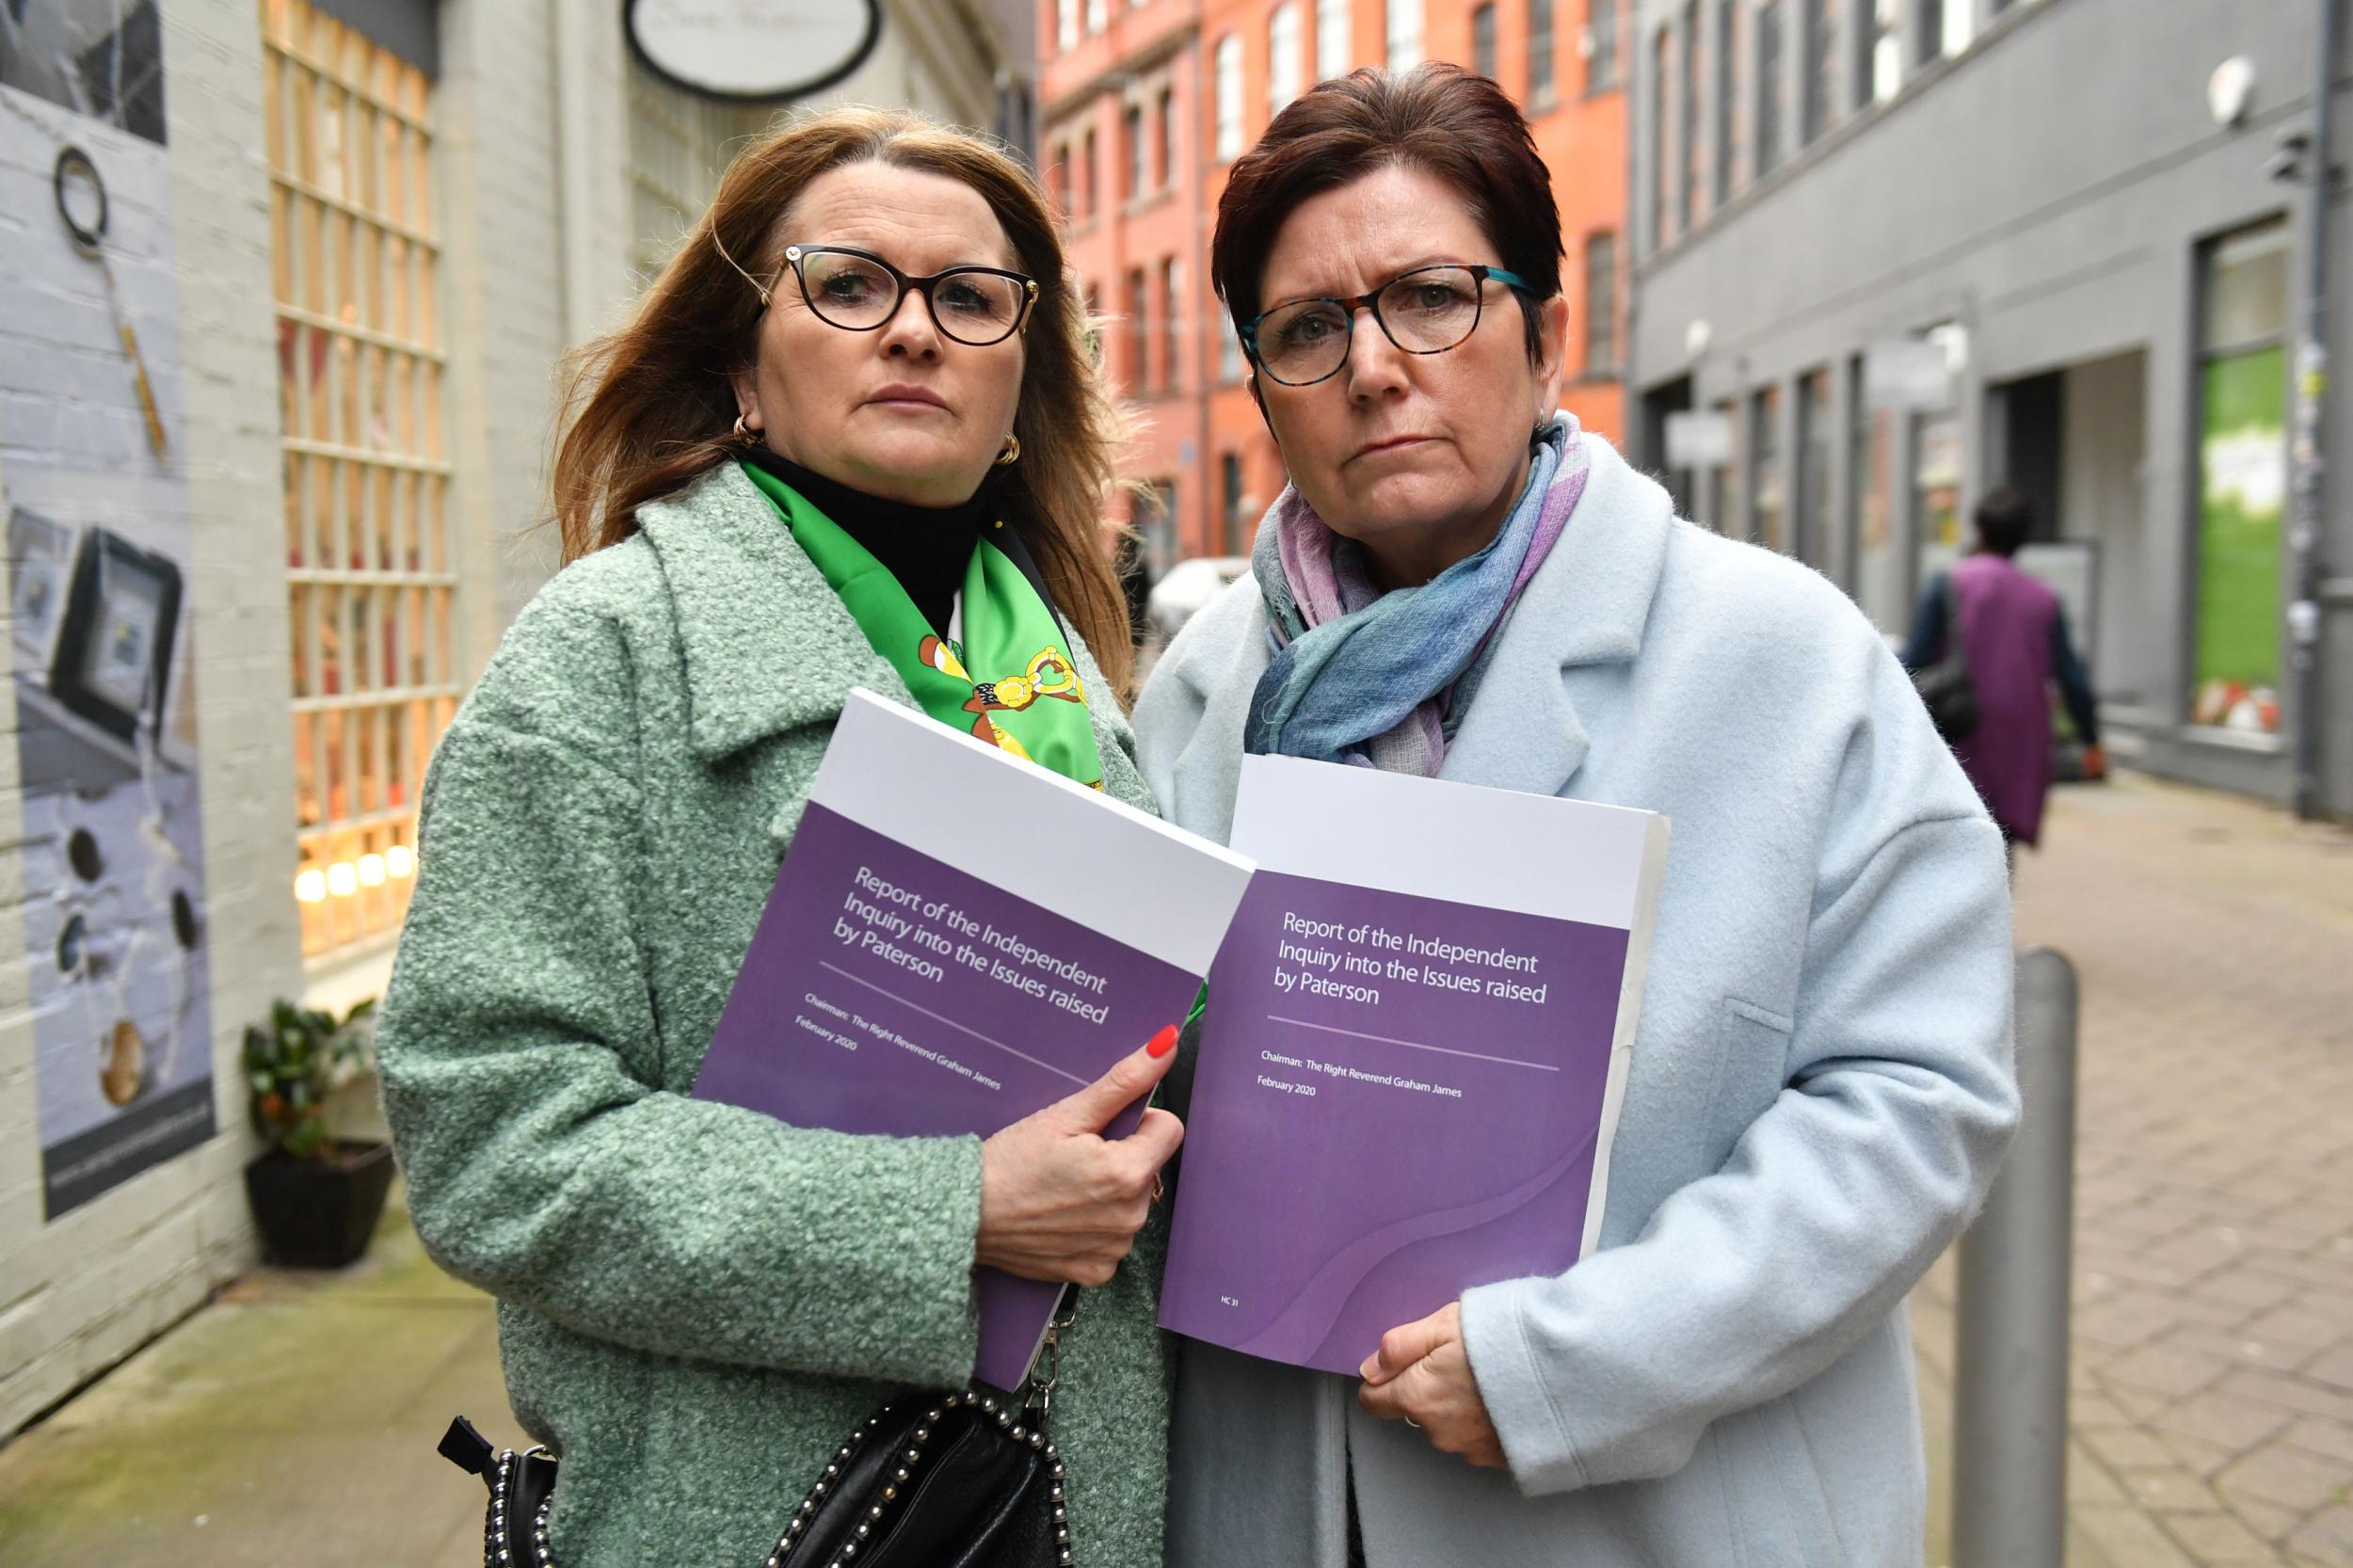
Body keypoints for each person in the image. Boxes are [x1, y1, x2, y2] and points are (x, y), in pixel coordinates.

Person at [1134, 65, 2020, 1568]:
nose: (1373, 366)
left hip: (1649, 1513)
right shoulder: (1198, 691)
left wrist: (1579, 1360)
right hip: (1275, 1499)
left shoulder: (1784, 657)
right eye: (1307, 328)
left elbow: (1913, 1103)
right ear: (1264, 385)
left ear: (1549, 336)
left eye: (1431, 296)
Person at [376, 107, 1183, 1568]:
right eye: (849, 282)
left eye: (968, 297)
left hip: (1077, 1513)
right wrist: (950, 1214)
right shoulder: (601, 656)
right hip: (763, 1526)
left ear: (1022, 378)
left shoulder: (1065, 669)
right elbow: (489, 1140)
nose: (915, 331)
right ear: (743, 359)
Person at [1903, 487, 2106, 856]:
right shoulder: (2044, 599)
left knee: (1949, 853)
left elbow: (1912, 663)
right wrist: (2092, 739)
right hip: (2019, 747)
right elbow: (2072, 680)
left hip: (1957, 738)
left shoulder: (1948, 584)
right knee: (1998, 855)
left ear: (1978, 530)